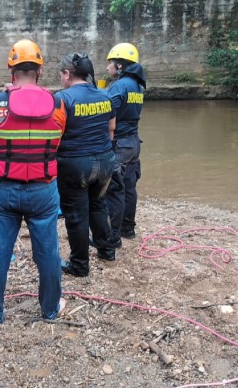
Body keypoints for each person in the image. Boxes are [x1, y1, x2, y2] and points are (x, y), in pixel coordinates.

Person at [0, 39, 67, 324]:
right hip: (42, 189)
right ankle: (50, 309)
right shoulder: (58, 103)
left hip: (3, 189)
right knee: (48, 253)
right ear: (39, 71)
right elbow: (58, 138)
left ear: (11, 71)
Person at [55, 53, 117, 277]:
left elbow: (55, 133)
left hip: (75, 163)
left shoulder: (63, 98)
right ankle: (107, 250)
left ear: (68, 74)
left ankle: (79, 265)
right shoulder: (105, 95)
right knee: (98, 205)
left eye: (61, 75)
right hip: (105, 160)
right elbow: (111, 130)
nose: (61, 79)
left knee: (76, 214)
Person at [104, 43, 146, 246]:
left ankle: (113, 236)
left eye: (110, 63)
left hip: (119, 143)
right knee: (129, 187)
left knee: (114, 189)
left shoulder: (120, 86)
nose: (107, 68)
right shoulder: (137, 85)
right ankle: (128, 228)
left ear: (120, 66)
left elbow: (106, 112)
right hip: (133, 142)